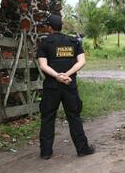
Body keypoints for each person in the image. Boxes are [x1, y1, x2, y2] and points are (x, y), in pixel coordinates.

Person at [36, 14, 95, 160]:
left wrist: (57, 76)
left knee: (48, 117)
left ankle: (45, 152)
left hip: (51, 86)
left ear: (49, 27)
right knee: (74, 116)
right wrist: (66, 75)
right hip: (69, 85)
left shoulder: (44, 43)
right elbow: (82, 62)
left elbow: (43, 65)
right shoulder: (73, 41)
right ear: (61, 26)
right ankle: (82, 149)